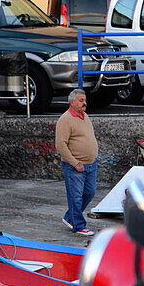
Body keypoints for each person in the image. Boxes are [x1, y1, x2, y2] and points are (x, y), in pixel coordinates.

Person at [55, 89, 98, 237]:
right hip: (75, 166)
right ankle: (79, 225)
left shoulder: (85, 116)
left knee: (90, 192)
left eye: (85, 100)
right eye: (81, 100)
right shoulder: (65, 120)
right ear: (72, 102)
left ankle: (70, 217)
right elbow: (60, 145)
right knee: (76, 196)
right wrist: (74, 163)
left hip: (91, 164)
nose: (84, 103)